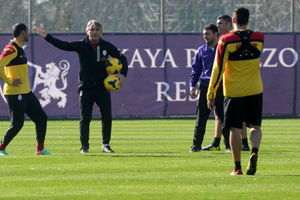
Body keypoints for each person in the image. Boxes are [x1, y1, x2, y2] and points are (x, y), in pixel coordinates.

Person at [35, 20, 128, 154]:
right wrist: (46, 37)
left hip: (103, 87)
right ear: (87, 31)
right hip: (85, 87)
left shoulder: (107, 46)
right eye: (92, 29)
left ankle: (106, 145)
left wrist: (123, 75)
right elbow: (62, 45)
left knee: (107, 117)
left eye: (97, 29)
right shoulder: (81, 45)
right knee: (85, 118)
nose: (94, 32)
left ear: (101, 32)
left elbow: (123, 59)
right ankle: (84, 146)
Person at [207, 7, 264, 175]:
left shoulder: (226, 40)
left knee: (235, 129)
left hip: (234, 92)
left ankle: (237, 167)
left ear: (233, 21)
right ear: (248, 20)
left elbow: (218, 68)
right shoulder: (259, 38)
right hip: (255, 89)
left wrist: (211, 93)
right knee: (255, 126)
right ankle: (254, 152)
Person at [0, 23, 53, 156]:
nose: (29, 34)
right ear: (22, 33)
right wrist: (10, 81)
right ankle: (1, 148)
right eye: (28, 31)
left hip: (26, 92)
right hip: (14, 93)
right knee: (17, 124)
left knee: (41, 118)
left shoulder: (19, 48)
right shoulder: (11, 49)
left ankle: (40, 149)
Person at [202, 14, 250, 152]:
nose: (218, 26)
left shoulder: (234, 39)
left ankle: (244, 143)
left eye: (221, 23)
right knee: (219, 113)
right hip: (221, 82)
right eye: (218, 24)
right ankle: (216, 142)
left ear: (230, 24)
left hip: (233, 81)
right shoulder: (221, 41)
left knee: (238, 113)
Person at [189, 24, 230, 152]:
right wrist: (192, 85)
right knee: (201, 118)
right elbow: (196, 70)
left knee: (224, 118)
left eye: (207, 34)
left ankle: (228, 146)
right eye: (204, 34)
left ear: (215, 34)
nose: (204, 36)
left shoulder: (223, 49)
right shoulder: (201, 50)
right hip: (205, 87)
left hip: (221, 87)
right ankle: (196, 145)